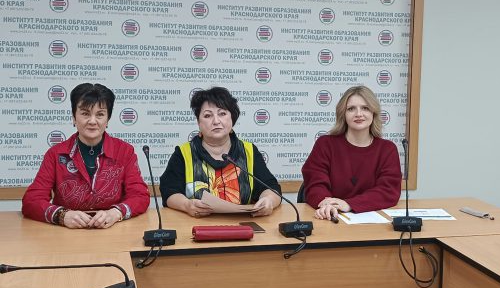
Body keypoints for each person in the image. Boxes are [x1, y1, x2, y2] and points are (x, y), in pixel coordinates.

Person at [22, 83, 150, 228]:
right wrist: (61, 215)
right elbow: (31, 201)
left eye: (100, 114)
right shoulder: (56, 154)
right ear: (74, 117)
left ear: (108, 119)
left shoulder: (124, 151)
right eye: (85, 114)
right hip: (67, 233)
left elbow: (140, 195)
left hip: (112, 230)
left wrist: (116, 213)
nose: (92, 121)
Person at [160, 86, 281, 218]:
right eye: (208, 115)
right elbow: (169, 191)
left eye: (222, 114)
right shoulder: (184, 153)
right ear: (198, 122)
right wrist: (186, 205)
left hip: (242, 224)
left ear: (232, 118)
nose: (216, 121)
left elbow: (271, 188)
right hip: (197, 224)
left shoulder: (249, 151)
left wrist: (268, 201)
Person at [302, 85, 402, 220]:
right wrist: (327, 204)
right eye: (351, 109)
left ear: (373, 113)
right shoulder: (325, 144)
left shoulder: (387, 149)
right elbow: (315, 183)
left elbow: (388, 191)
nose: (358, 114)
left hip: (372, 222)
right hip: (329, 218)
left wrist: (349, 204)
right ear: (343, 114)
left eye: (365, 108)